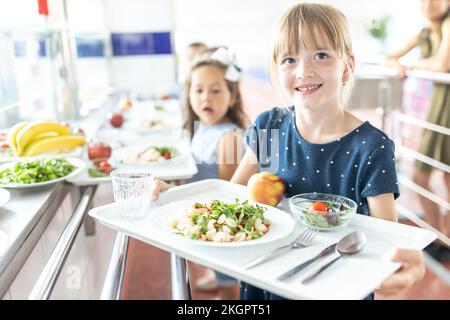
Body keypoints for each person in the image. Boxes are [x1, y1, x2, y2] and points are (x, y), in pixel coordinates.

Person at [153, 2, 427, 300]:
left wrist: (407, 268)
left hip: (334, 287)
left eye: (321, 55)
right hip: (265, 279)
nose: (304, 70)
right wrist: (180, 199)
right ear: (276, 68)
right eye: (289, 59)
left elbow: (389, 240)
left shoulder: (371, 146)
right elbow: (232, 197)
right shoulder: (270, 126)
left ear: (347, 66)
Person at [156, 46, 249, 299]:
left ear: (232, 96)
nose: (206, 98)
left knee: (227, 275)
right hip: (204, 209)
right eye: (198, 90)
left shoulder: (229, 138)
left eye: (216, 90)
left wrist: (174, 192)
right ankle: (219, 283)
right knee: (215, 267)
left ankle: (229, 294)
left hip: (222, 217)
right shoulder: (202, 127)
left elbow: (227, 194)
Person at [384, 0, 450, 261]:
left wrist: (410, 66)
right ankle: (438, 235)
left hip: (445, 113)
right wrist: (399, 65)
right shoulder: (425, 33)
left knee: (444, 178)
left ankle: (442, 238)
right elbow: (390, 57)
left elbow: (442, 64)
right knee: (424, 176)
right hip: (439, 111)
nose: (429, 3)